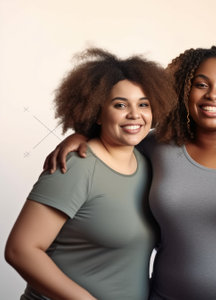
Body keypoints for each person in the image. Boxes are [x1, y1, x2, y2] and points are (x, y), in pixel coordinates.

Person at [43, 46, 216, 300]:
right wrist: (82, 134)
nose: (213, 95)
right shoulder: (156, 146)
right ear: (183, 90)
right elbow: (117, 134)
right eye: (201, 84)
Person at [5, 48, 175, 300]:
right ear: (97, 112)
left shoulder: (147, 161)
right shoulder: (77, 165)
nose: (134, 115)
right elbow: (21, 250)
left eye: (143, 104)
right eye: (120, 105)